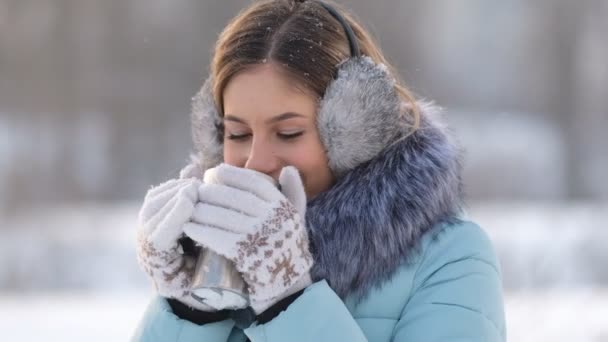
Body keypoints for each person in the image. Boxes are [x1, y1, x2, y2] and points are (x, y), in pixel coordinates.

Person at [132, 0, 506, 341]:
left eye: (289, 133)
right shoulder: (213, 268)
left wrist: (287, 299)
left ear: (356, 129)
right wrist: (187, 311)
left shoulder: (452, 257)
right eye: (239, 133)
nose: (257, 162)